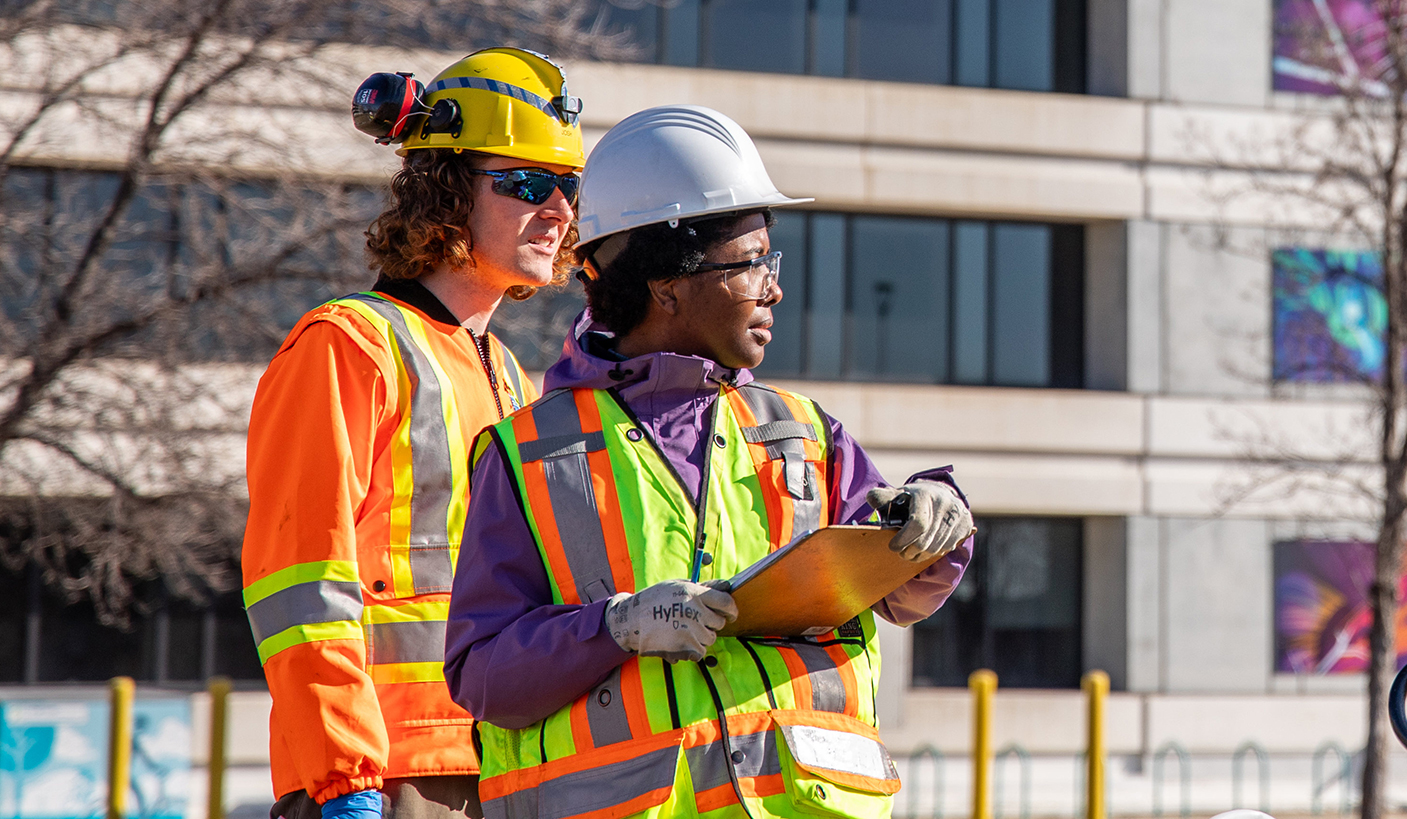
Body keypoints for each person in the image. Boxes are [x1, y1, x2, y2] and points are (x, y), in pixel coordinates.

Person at [444, 104, 974, 819]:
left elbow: (904, 591)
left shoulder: (805, 433)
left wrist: (940, 522)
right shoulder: (528, 455)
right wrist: (615, 627)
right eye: (753, 261)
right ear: (666, 285)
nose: (774, 287)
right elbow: (485, 676)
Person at [241, 48, 585, 819]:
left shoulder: (511, 378)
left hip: (502, 765)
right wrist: (343, 779)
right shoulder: (347, 345)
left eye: (567, 186)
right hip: (382, 778)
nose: (559, 210)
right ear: (448, 191)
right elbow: (299, 584)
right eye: (528, 183)